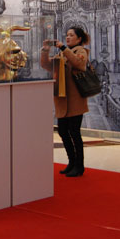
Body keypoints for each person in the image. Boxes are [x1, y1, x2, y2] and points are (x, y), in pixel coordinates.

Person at [40, 27, 90, 177]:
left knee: (75, 133)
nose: (68, 38)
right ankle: (71, 162)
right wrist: (45, 50)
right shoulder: (62, 53)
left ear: (79, 38)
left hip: (75, 101)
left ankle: (79, 166)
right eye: (67, 35)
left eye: (71, 35)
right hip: (62, 99)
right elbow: (46, 65)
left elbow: (78, 64)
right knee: (62, 131)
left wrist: (63, 48)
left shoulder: (81, 51)